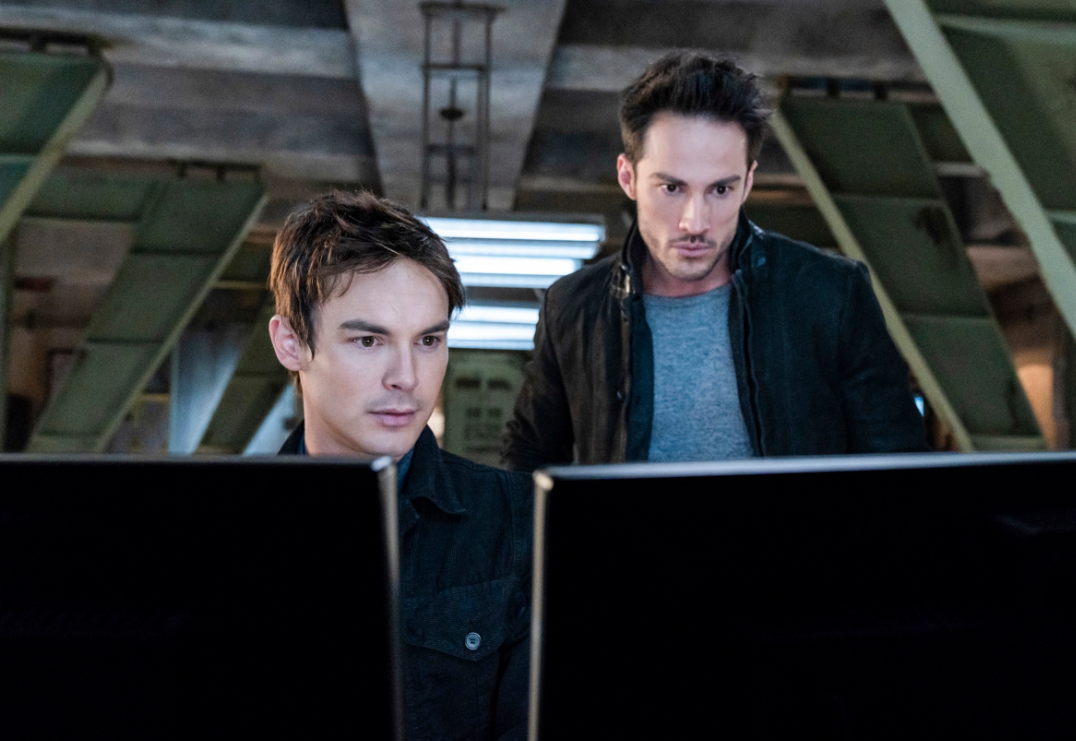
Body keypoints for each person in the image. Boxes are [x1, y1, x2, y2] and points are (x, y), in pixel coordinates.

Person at [502, 51, 928, 471]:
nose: (695, 222)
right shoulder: (574, 307)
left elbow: (898, 470)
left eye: (720, 190)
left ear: (748, 183)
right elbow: (527, 458)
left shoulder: (832, 294)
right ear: (627, 177)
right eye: (672, 188)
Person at [268, 191, 531, 741]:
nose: (407, 377)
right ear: (291, 343)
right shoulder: (218, 534)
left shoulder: (517, 522)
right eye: (369, 340)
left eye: (429, 340)